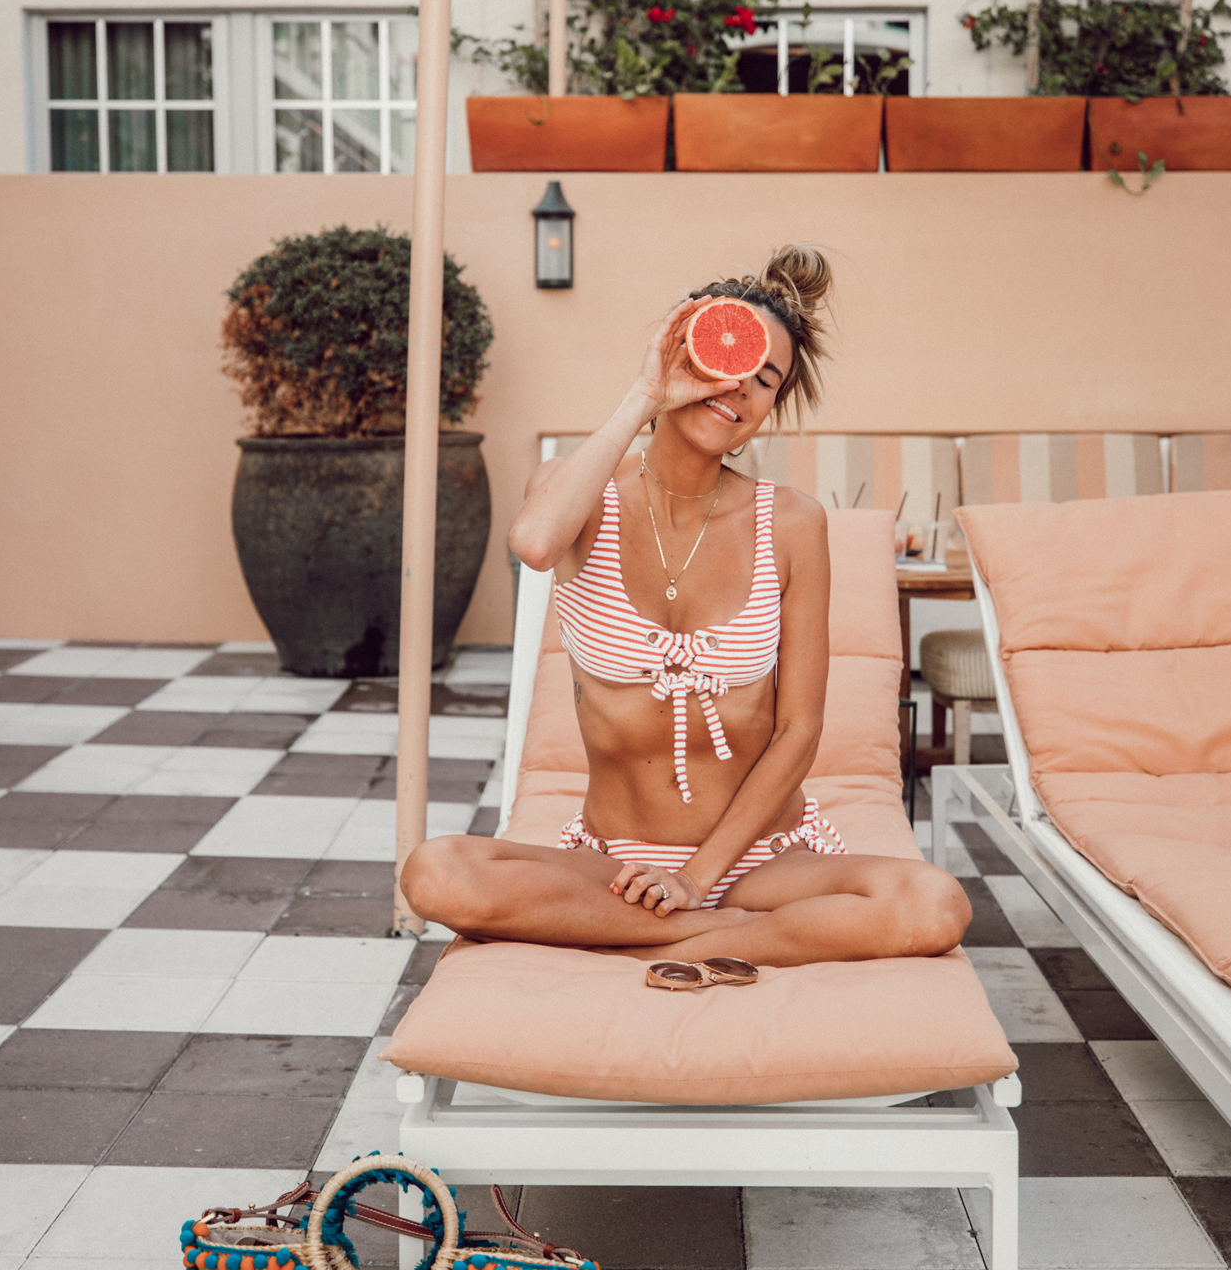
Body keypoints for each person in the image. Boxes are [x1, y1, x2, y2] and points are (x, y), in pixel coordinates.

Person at [401, 244, 969, 969]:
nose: (739, 389)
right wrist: (646, 393)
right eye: (724, 362)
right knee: (436, 874)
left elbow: (798, 730)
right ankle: (721, 936)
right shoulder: (581, 494)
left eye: (766, 380)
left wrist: (696, 881)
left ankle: (657, 930)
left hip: (761, 859)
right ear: (680, 356)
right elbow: (536, 545)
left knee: (933, 904)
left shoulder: (791, 523)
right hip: (614, 864)